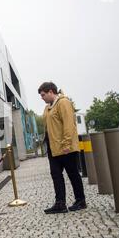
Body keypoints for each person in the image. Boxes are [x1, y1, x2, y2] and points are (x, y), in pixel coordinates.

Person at [38, 82, 87, 214]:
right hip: (53, 148)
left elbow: (68, 125)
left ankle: (80, 200)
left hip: (66, 147)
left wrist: (66, 144)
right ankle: (60, 203)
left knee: (73, 174)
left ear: (50, 92)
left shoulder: (63, 103)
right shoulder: (47, 107)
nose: (41, 98)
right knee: (56, 175)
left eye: (43, 95)